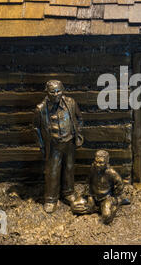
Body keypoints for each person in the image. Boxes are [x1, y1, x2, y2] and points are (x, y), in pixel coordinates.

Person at [34, 80, 84, 213]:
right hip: (53, 145)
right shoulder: (41, 109)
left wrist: (78, 133)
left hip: (69, 142)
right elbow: (36, 128)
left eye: (58, 91)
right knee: (53, 171)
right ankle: (51, 199)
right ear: (47, 92)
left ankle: (68, 193)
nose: (56, 94)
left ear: (63, 91)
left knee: (69, 168)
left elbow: (79, 119)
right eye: (52, 92)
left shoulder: (71, 103)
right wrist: (41, 145)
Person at [73, 150, 125, 224]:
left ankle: (109, 207)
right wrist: (90, 196)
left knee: (106, 217)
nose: (97, 164)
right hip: (94, 196)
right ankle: (96, 208)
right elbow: (88, 182)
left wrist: (114, 197)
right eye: (96, 162)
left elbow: (120, 185)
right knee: (74, 206)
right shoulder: (93, 168)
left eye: (101, 163)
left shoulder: (111, 173)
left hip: (106, 197)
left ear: (106, 162)